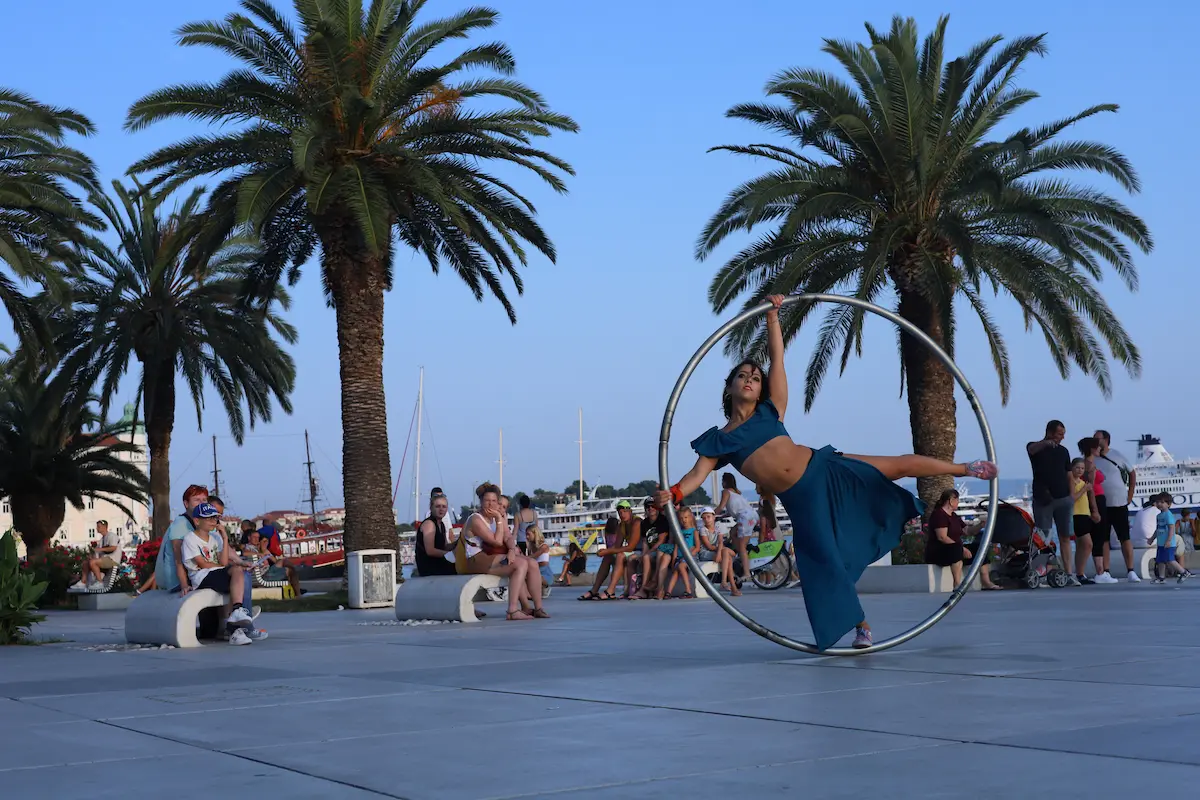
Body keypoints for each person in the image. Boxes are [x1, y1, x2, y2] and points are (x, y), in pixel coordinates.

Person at [658, 294, 997, 650]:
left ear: (760, 390)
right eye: (742, 376)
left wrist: (773, 317)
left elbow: (777, 359)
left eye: (755, 378)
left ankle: (965, 466)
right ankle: (862, 627)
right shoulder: (719, 440)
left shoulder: (770, 411)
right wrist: (676, 493)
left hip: (824, 470)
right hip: (802, 502)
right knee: (826, 566)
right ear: (729, 388)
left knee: (895, 465)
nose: (749, 380)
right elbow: (696, 475)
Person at [455, 483, 548, 620]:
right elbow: (497, 541)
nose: (491, 504)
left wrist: (511, 549)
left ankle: (538, 608)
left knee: (532, 563)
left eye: (494, 501)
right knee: (520, 564)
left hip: (492, 556)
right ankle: (512, 610)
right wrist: (499, 519)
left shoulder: (497, 517)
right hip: (476, 559)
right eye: (487, 501)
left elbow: (508, 536)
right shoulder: (476, 519)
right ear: (481, 501)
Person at [179, 503, 265, 645]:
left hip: (215, 573)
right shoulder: (190, 539)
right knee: (235, 574)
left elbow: (224, 561)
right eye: (209, 519)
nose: (214, 522)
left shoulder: (215, 538)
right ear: (197, 521)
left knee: (237, 570)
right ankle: (236, 620)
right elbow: (203, 564)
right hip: (201, 577)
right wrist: (224, 566)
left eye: (215, 518)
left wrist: (224, 538)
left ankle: (236, 614)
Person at [1027, 421, 1075, 585]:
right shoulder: (1035, 447)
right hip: (1043, 499)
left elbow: (1069, 474)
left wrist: (1072, 495)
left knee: (1065, 536)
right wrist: (1046, 443)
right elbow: (1031, 450)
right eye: (1059, 433)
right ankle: (1040, 572)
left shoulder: (1063, 451)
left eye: (1063, 434)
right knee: (1043, 537)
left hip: (1063, 498)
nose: (1062, 437)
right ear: (1050, 432)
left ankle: (1069, 573)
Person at [923, 489, 1000, 590]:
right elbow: (942, 537)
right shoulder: (939, 515)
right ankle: (957, 584)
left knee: (980, 548)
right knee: (956, 549)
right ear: (951, 500)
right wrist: (962, 548)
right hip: (939, 551)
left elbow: (967, 531)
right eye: (957, 500)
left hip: (956, 548)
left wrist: (980, 525)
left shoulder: (954, 516)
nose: (958, 502)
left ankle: (986, 582)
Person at [1092, 430, 1139, 582]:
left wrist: (1130, 494)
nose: (1094, 440)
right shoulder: (1091, 458)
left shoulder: (1117, 455)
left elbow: (1132, 473)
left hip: (1118, 502)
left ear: (1106, 440)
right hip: (1101, 503)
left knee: (1124, 536)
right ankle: (1106, 571)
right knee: (1103, 538)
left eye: (1097, 438)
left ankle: (1131, 571)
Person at [151, 484, 211, 594]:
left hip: (197, 574)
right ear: (186, 504)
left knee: (238, 575)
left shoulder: (205, 523)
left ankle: (238, 609)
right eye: (197, 500)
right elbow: (178, 558)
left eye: (204, 500)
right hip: (176, 581)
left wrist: (239, 562)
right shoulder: (180, 524)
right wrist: (184, 585)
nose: (202, 503)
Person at [714, 473, 756, 584]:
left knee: (742, 545)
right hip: (750, 516)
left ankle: (746, 573)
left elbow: (721, 506)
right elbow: (733, 510)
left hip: (744, 518)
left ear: (725, 482)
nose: (721, 483)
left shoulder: (725, 492)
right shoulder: (736, 493)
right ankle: (740, 554)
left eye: (722, 481)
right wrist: (722, 516)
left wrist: (711, 514)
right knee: (733, 532)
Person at [654, 505, 697, 599]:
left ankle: (688, 590)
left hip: (690, 557)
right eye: (681, 518)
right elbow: (676, 547)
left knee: (681, 566)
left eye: (686, 517)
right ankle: (668, 592)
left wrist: (690, 554)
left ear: (690, 517)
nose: (684, 520)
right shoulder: (679, 532)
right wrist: (674, 560)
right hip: (680, 558)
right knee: (676, 571)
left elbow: (697, 547)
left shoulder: (694, 531)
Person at [1067, 458, 1099, 585]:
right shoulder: (1072, 482)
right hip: (1076, 514)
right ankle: (1079, 573)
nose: (1080, 470)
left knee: (1082, 545)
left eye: (1082, 468)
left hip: (1084, 514)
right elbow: (1072, 498)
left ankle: (1080, 573)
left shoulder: (1082, 481)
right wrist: (1084, 490)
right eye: (1077, 468)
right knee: (1087, 544)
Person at [1146, 493, 1188, 584]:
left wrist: (1169, 540)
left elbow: (1172, 528)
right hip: (1161, 543)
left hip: (1168, 543)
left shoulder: (1168, 515)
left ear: (1169, 504)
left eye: (1162, 502)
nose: (1160, 504)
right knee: (1160, 560)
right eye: (1158, 502)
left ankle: (1183, 572)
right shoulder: (1159, 516)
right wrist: (1152, 538)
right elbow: (1158, 529)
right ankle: (1161, 577)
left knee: (1170, 559)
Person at [415, 493, 457, 576]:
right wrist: (448, 555)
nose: (441, 509)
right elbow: (430, 551)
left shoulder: (441, 525)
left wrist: (458, 543)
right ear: (431, 508)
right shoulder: (429, 524)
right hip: (429, 567)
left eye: (444, 507)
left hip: (439, 562)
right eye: (438, 506)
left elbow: (445, 546)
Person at [73, 520, 122, 590]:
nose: (97, 528)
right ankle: (83, 582)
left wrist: (100, 550)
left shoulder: (112, 536)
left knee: (93, 562)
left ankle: (100, 582)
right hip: (105, 560)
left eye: (99, 526)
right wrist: (91, 555)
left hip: (112, 560)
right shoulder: (102, 539)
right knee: (85, 563)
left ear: (105, 527)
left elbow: (113, 547)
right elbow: (96, 551)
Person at [256, 523, 301, 597]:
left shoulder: (265, 551)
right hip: (264, 576)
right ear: (259, 543)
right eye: (264, 542)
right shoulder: (256, 551)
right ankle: (298, 593)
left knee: (285, 562)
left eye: (267, 542)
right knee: (290, 570)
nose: (265, 544)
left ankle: (293, 572)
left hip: (267, 573)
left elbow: (275, 561)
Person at [526, 525, 553, 597]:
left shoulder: (544, 546)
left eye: (528, 534)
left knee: (534, 576)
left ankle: (546, 586)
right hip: (536, 569)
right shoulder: (531, 547)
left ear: (535, 533)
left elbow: (533, 557)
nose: (527, 537)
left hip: (544, 571)